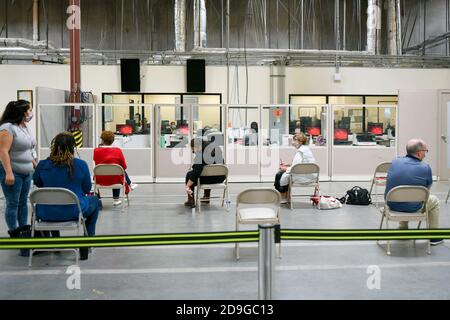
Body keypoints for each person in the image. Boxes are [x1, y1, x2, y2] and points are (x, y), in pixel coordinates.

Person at [33, 132, 100, 260]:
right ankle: (88, 241)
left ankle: (56, 240)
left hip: (45, 213)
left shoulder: (42, 165)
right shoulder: (80, 165)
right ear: (72, 148)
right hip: (73, 211)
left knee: (52, 202)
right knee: (95, 201)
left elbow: (38, 183)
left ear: (54, 147)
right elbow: (86, 189)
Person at [384, 138, 443, 246]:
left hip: (391, 206)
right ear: (420, 153)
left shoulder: (395, 161)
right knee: (433, 200)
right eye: (426, 151)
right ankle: (434, 236)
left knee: (404, 195)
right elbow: (427, 192)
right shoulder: (426, 168)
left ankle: (403, 228)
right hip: (413, 208)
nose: (425, 154)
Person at [0, 100, 36, 247]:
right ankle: (14, 231)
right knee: (13, 203)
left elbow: (28, 149)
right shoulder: (7, 128)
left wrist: (35, 164)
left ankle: (23, 228)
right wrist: (9, 172)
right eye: (29, 109)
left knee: (23, 202)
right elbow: (3, 151)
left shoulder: (24, 126)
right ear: (21, 112)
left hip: (26, 172)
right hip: (12, 171)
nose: (31, 112)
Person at [93, 131, 138, 206]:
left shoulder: (96, 151)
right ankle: (116, 199)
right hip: (116, 180)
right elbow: (124, 166)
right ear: (113, 140)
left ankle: (130, 184)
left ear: (102, 140)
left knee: (114, 171)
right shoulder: (117, 151)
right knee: (117, 172)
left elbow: (96, 162)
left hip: (100, 179)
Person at [184, 138, 226, 208]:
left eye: (192, 149)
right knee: (208, 172)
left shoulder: (200, 155)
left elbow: (196, 171)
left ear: (196, 147)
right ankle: (206, 197)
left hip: (208, 179)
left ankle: (191, 200)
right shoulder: (215, 148)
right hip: (220, 178)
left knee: (189, 174)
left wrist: (188, 185)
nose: (192, 151)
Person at [274, 133, 316, 201]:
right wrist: (287, 166)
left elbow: (296, 168)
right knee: (281, 174)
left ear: (301, 141)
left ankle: (283, 197)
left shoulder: (300, 151)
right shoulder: (306, 149)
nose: (293, 142)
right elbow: (300, 165)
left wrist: (285, 168)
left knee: (279, 174)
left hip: (303, 176)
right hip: (310, 175)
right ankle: (283, 195)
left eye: (295, 140)